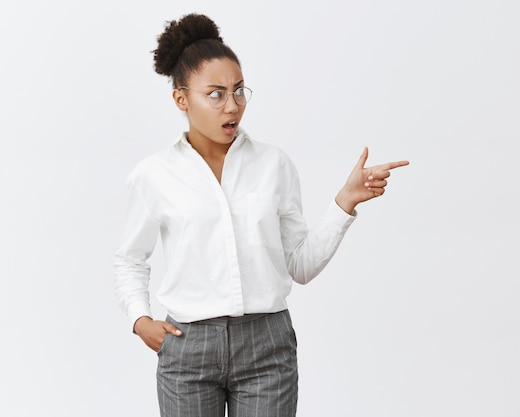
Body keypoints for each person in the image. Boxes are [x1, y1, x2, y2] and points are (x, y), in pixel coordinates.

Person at [114, 13, 409, 417]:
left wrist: (345, 201)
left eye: (239, 91)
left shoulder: (274, 165)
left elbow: (300, 266)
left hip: (267, 346)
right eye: (215, 94)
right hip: (187, 347)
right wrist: (139, 319)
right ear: (181, 99)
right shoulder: (154, 175)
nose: (232, 105)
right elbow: (131, 259)